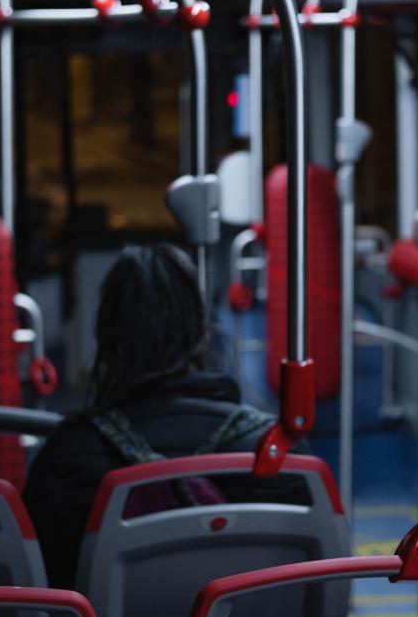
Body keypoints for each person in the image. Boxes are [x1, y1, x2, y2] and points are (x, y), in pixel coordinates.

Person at [23, 244, 306, 590]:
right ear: (202, 336)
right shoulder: (277, 456)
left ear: (106, 341)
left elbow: (44, 591)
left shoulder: (67, 459)